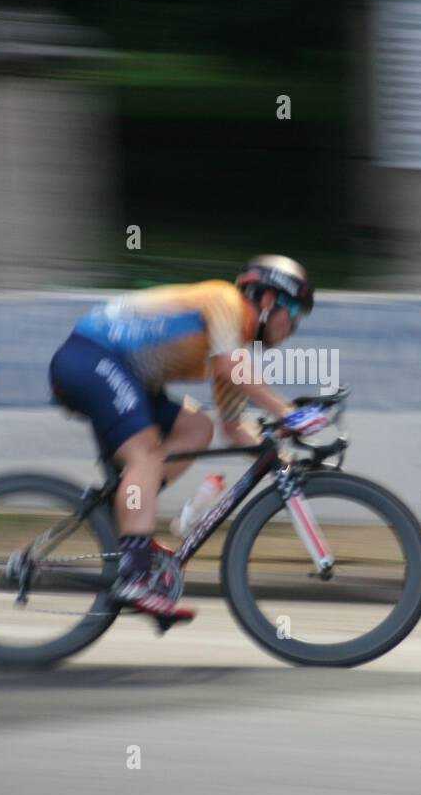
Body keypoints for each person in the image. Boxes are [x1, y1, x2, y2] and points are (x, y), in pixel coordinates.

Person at [48, 255, 330, 617]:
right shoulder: (225, 301)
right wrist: (290, 413)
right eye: (294, 312)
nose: (294, 326)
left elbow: (232, 428)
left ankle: (130, 511)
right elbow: (234, 370)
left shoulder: (229, 347)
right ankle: (133, 574)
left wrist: (283, 463)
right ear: (269, 300)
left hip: (121, 373)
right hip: (91, 357)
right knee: (145, 455)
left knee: (198, 427)